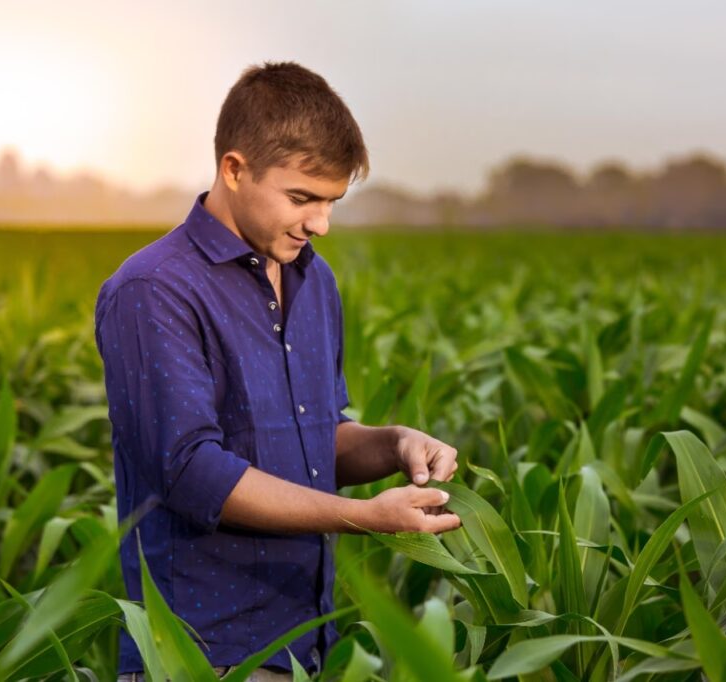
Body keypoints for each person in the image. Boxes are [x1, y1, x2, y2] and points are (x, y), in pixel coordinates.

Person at [95, 61, 462, 682]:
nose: (319, 223)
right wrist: (365, 517)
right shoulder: (153, 290)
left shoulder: (314, 280)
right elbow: (192, 473)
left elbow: (317, 437)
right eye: (302, 198)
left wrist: (394, 443)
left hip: (308, 641)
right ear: (234, 170)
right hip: (201, 655)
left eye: (332, 202)